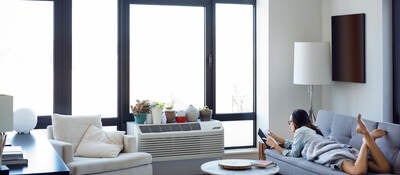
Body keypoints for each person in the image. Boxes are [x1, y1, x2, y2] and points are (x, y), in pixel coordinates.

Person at [266, 109, 392, 174]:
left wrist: (275, 147)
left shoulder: (300, 131)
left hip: (328, 154)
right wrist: (276, 138)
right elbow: (293, 145)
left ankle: (366, 140)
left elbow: (294, 153)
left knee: (357, 171)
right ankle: (370, 139)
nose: (289, 125)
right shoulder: (310, 130)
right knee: (384, 169)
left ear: (296, 123)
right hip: (338, 148)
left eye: (290, 122)